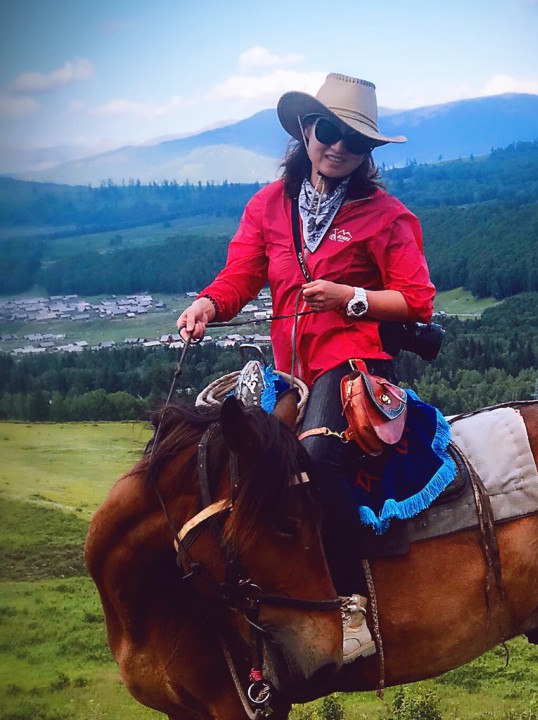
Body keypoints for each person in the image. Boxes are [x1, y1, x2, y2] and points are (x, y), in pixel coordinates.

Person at [177, 73, 435, 663]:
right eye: (328, 131)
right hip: (291, 370)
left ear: (367, 153)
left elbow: (417, 299)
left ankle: (350, 608)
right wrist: (208, 304)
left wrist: (350, 298)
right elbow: (242, 273)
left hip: (354, 366)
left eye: (355, 140)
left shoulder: (387, 215)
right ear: (305, 130)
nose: (339, 146)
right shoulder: (268, 205)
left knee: (316, 460)